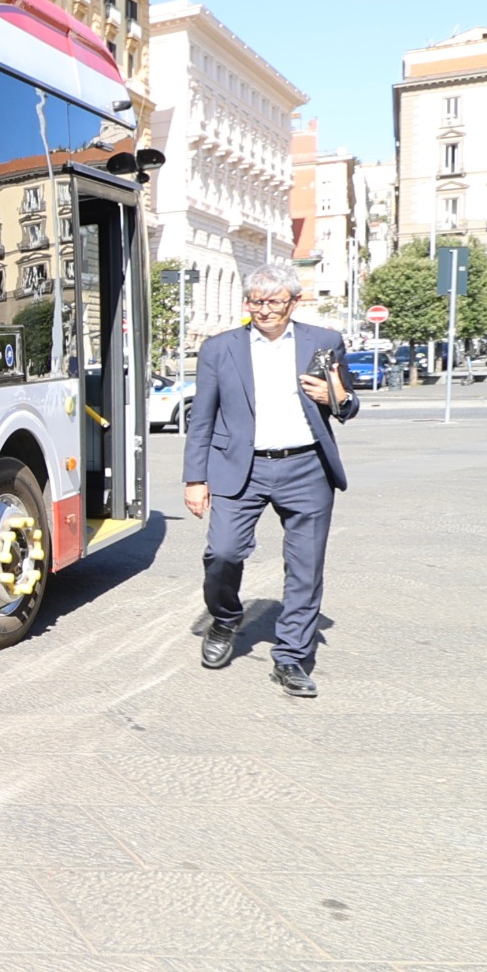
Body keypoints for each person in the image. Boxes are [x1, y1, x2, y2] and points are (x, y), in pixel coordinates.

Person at [183, 265, 359, 697]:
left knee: (305, 566)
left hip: (307, 467)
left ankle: (291, 657)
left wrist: (335, 396)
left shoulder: (323, 342)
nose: (264, 310)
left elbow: (347, 404)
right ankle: (225, 618)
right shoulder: (219, 348)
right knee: (223, 552)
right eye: (256, 302)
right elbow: (201, 418)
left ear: (293, 302)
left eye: (274, 302)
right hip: (240, 467)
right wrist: (195, 478)